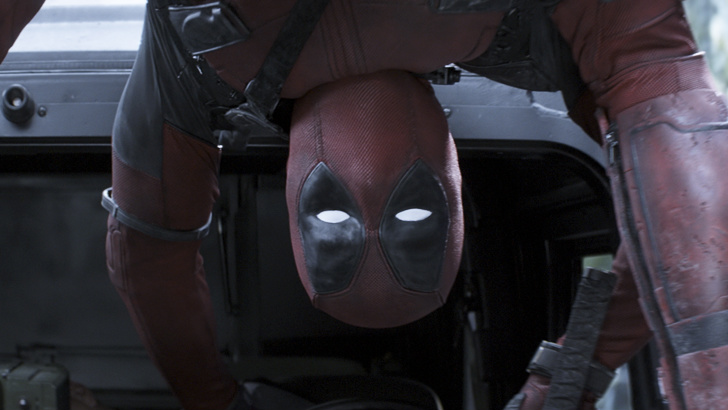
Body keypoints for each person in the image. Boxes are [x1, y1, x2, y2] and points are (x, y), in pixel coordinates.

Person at [1, 1, 726, 409]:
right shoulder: (199, 58)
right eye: (410, 218)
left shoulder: (196, 63)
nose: (372, 215)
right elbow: (686, 200)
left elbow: (148, 257)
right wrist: (567, 373)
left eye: (340, 220)